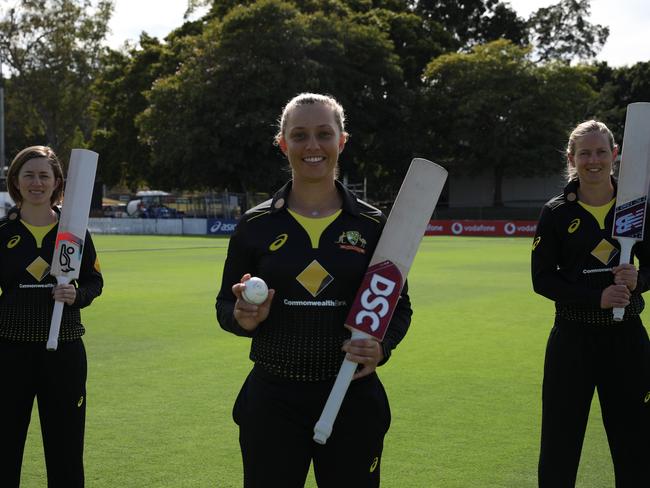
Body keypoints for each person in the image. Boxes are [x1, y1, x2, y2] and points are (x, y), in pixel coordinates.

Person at [216, 93, 412, 487]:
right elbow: (225, 305)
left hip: (351, 397)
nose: (312, 146)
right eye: (300, 135)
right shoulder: (256, 225)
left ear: (341, 141)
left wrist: (381, 346)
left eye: (324, 134)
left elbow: (398, 307)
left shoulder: (373, 225)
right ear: (283, 143)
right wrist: (243, 317)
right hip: (272, 399)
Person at [531, 120, 650, 487]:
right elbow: (542, 279)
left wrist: (639, 281)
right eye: (585, 153)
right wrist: (596, 297)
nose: (593, 160)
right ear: (572, 158)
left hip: (627, 340)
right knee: (559, 447)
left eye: (601, 152)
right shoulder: (556, 212)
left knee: (637, 447)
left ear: (614, 155)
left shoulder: (636, 207)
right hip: (572, 341)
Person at [0, 146, 103, 487]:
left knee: (65, 452)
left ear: (57, 182)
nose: (36, 182)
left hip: (64, 353)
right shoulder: (3, 234)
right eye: (28, 174)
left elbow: (94, 280)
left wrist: (77, 295)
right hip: (9, 353)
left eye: (44, 175)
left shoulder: (73, 232)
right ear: (15, 180)